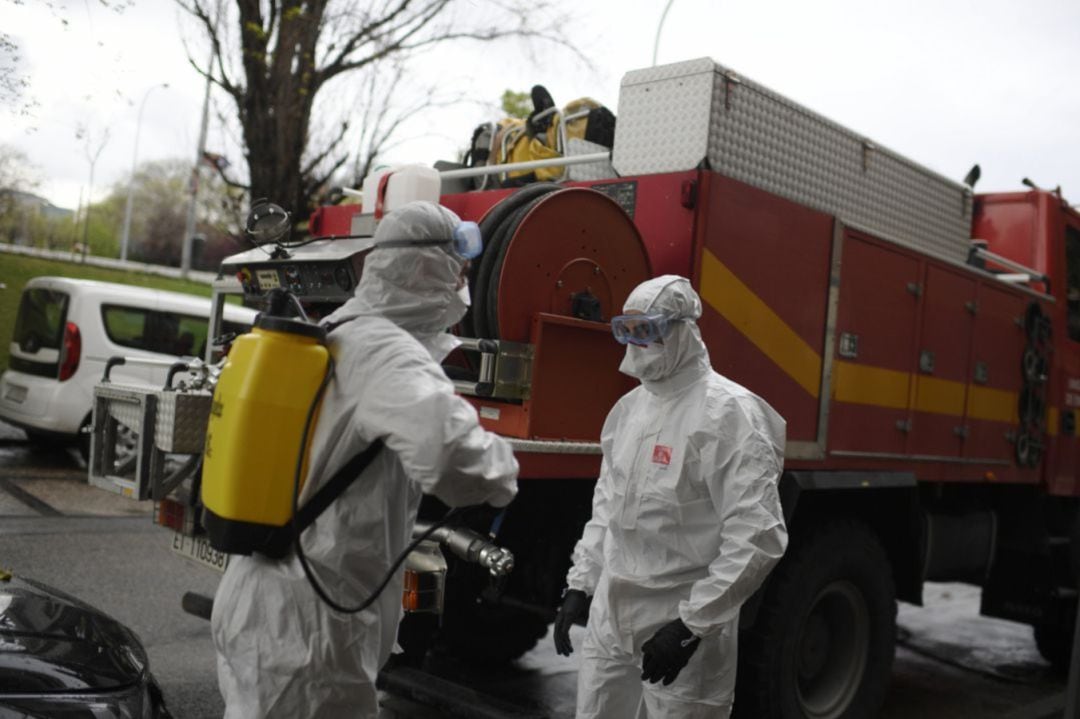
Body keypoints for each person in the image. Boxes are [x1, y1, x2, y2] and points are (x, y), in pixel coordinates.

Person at [211, 201, 519, 718]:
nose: (464, 279)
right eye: (457, 264)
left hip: (268, 598)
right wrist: (504, 472)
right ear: (430, 268)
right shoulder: (385, 351)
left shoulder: (340, 328)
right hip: (308, 630)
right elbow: (449, 456)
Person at [552, 275, 787, 718]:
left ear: (682, 329)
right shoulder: (629, 410)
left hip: (683, 622)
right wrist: (580, 584)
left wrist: (690, 625)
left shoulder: (729, 414)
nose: (638, 344)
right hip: (612, 615)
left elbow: (757, 536)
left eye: (649, 330)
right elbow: (606, 509)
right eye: (629, 330)